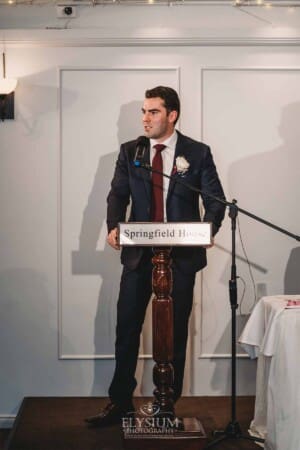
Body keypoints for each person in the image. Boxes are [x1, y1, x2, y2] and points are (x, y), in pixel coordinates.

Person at [85, 86, 226, 427]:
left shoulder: (197, 152)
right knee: (126, 329)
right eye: (143, 112)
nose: (145, 118)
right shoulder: (131, 151)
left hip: (181, 258)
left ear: (172, 115)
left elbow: (215, 199)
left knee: (174, 333)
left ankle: (167, 404)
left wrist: (208, 229)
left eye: (153, 112)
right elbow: (117, 194)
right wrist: (113, 226)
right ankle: (120, 403)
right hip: (138, 256)